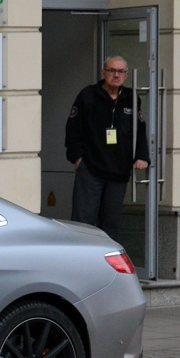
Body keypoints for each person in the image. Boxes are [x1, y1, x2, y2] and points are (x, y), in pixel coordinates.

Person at [65, 56, 149, 241]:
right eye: (112, 71)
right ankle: (81, 264)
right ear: (103, 73)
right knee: (83, 224)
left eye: (121, 72)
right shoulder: (88, 95)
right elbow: (73, 129)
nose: (116, 75)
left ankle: (105, 266)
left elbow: (140, 129)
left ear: (126, 75)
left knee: (110, 225)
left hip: (118, 172)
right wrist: (78, 159)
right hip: (91, 170)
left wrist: (141, 156)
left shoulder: (131, 98)